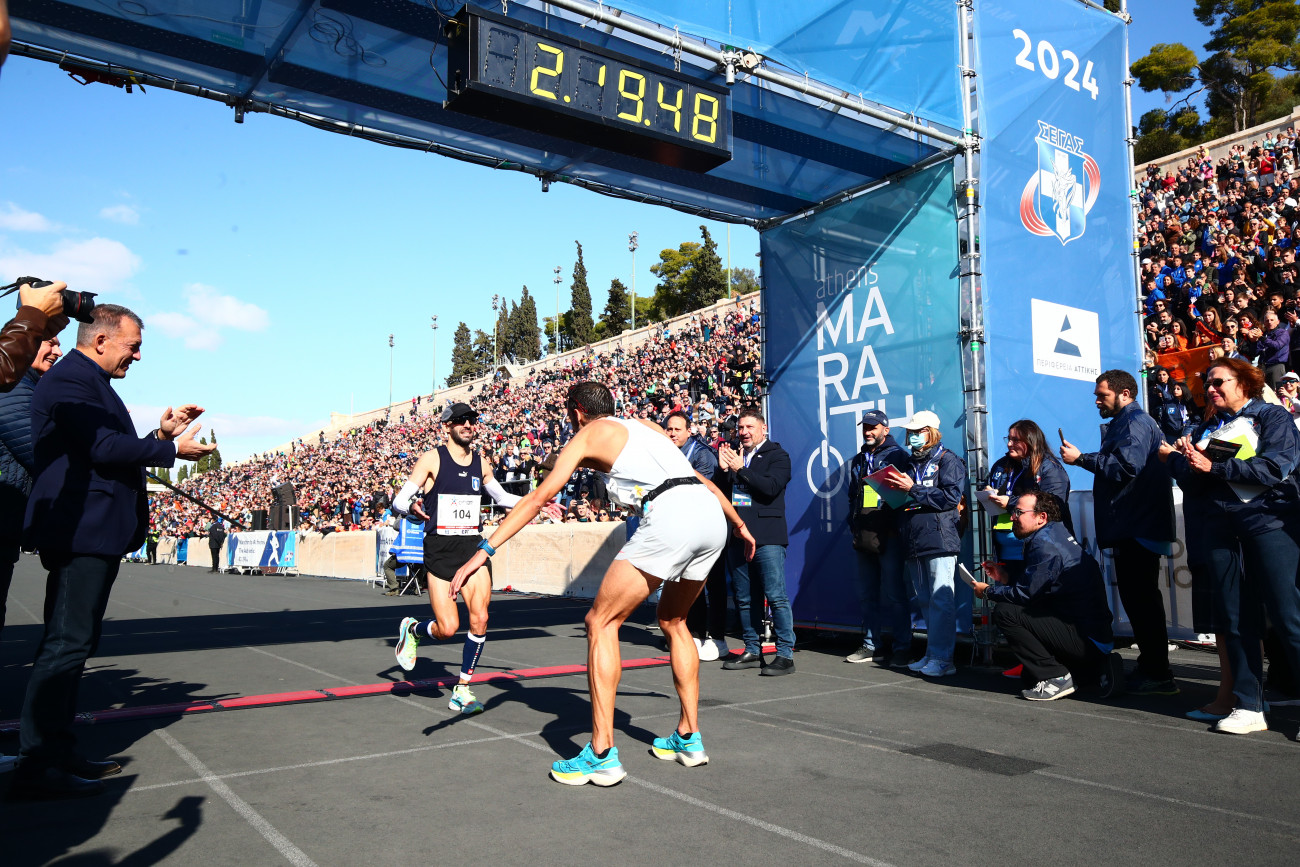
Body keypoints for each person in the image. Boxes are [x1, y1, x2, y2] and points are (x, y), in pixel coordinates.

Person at [447, 382, 755, 786]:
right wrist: (738, 523)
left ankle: (601, 753)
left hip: (671, 515)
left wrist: (482, 551)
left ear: (577, 411)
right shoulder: (645, 425)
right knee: (675, 621)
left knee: (601, 623)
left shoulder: (587, 433)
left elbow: (539, 498)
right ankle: (688, 737)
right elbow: (699, 478)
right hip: (708, 514)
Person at [13, 304, 213, 800]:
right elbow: (103, 450)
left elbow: (104, 450)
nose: (138, 357)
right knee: (65, 644)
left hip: (93, 531)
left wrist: (159, 436)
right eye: (133, 345)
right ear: (100, 340)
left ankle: (55, 750)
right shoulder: (72, 381)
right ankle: (38, 762)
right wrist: (169, 451)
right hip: (80, 530)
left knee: (74, 643)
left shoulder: (88, 382)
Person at [1161, 357, 1300, 735]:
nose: (1210, 388)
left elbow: (1276, 468)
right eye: (1207, 383)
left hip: (1269, 525)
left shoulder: (1271, 417)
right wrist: (1180, 460)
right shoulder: (1208, 425)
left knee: (1289, 617)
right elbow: (1195, 482)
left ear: (1245, 383)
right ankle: (1249, 705)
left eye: (1219, 381)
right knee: (1235, 619)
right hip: (1221, 530)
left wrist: (1216, 467)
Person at [390, 402, 545, 716]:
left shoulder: (482, 463)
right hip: (440, 553)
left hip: (472, 552)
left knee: (481, 619)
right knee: (448, 628)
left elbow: (501, 498)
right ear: (447, 426)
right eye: (460, 420)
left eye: (472, 420)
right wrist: (411, 508)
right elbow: (399, 500)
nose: (468, 425)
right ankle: (415, 631)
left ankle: (462, 689)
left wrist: (537, 501)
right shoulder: (432, 459)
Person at [1061, 369, 1178, 695]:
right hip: (1133, 525)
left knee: (1142, 602)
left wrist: (1081, 459)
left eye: (1102, 394)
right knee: (1140, 602)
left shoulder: (1135, 422)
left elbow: (1127, 466)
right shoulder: (1128, 422)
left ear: (1124, 393)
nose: (1097, 400)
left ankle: (1158, 673)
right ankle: (1153, 668)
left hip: (1138, 526)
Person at [974, 490, 1122, 702]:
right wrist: (1005, 577)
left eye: (1018, 512)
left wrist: (988, 591)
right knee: (1029, 675)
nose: (1012, 517)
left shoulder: (1044, 545)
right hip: (1092, 635)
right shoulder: (1054, 534)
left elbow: (1026, 594)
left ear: (1041, 517)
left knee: (1006, 612)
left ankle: (1056, 677)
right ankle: (1095, 670)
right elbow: (1039, 585)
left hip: (1085, 637)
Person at [883, 410, 967, 678]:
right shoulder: (909, 463)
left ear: (931, 432)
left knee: (942, 600)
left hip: (940, 538)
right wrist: (892, 495)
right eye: (910, 432)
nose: (912, 436)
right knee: (926, 601)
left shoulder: (948, 459)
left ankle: (944, 659)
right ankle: (932, 653)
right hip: (913, 539)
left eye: (917, 431)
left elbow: (951, 498)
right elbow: (908, 498)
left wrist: (913, 490)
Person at [717, 405, 795, 675]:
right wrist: (724, 470)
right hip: (739, 536)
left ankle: (785, 654)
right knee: (744, 598)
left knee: (775, 596)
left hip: (767, 537)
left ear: (764, 429)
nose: (744, 432)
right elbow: (724, 496)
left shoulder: (778, 455)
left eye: (750, 427)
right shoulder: (737, 457)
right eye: (740, 428)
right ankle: (752, 648)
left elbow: (771, 488)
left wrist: (741, 469)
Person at [0, 324, 62, 637]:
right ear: (26, 343)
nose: (58, 352)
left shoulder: (26, 387)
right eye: (50, 342)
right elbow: (42, 454)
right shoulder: (13, 388)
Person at [844, 410, 913, 667]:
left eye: (873, 427)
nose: (868, 431)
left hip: (889, 533)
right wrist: (854, 522)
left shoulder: (899, 456)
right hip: (864, 532)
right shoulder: (859, 458)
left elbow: (906, 496)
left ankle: (903, 647)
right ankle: (872, 644)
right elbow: (852, 494)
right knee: (867, 593)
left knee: (895, 593)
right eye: (865, 427)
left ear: (886, 428)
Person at [664, 410, 729, 661]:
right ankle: (696, 633)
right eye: (669, 429)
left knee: (713, 584)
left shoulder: (702, 454)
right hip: (683, 530)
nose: (672, 433)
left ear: (689, 431)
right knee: (690, 584)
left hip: (708, 528)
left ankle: (718, 637)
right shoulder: (667, 454)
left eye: (677, 429)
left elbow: (698, 490)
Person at [983, 420, 1072, 589]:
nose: (1009, 444)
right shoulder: (1001, 465)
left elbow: (1053, 504)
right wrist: (987, 495)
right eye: (1008, 439)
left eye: (1015, 440)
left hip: (1038, 550)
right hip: (1005, 552)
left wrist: (1011, 503)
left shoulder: (1049, 468)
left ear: (1030, 440)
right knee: (1007, 603)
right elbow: (989, 493)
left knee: (1030, 600)